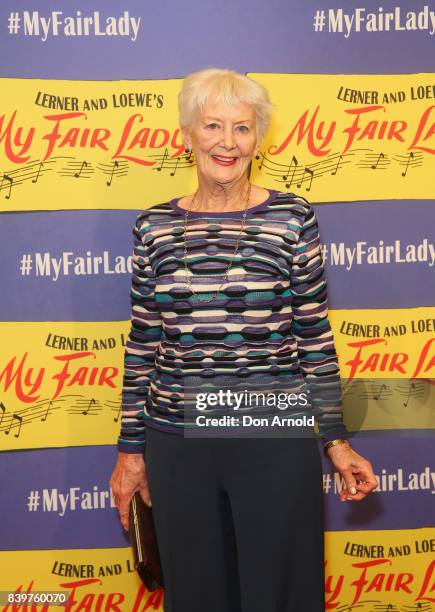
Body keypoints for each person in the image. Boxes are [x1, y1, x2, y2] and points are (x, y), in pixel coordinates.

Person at [110, 67, 378, 611]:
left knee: (280, 592)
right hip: (177, 439)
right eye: (212, 126)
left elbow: (313, 335)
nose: (227, 143)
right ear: (188, 135)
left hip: (270, 431)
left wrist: (337, 440)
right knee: (198, 595)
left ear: (259, 138)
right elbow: (142, 342)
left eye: (242, 128)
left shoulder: (292, 218)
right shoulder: (152, 227)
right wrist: (131, 451)